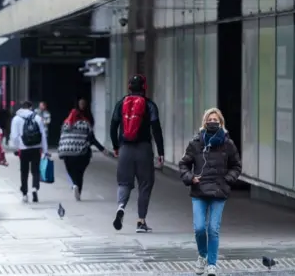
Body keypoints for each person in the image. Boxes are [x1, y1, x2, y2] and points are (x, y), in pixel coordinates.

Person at [178, 107, 241, 276]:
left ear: (221, 123)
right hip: (199, 191)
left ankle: (212, 264)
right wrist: (190, 178)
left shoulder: (228, 144)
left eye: (216, 120)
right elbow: (183, 164)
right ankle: (202, 256)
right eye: (209, 120)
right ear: (204, 122)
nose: (212, 122)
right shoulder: (196, 143)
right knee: (199, 228)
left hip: (219, 192)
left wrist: (228, 180)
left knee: (213, 229)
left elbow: (236, 166)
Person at [109, 74, 165, 233]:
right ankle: (141, 221)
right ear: (145, 87)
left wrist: (115, 146)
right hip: (144, 149)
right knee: (145, 185)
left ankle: (121, 207)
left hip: (125, 149)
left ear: (129, 87)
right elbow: (156, 129)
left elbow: (113, 127)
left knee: (124, 183)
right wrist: (160, 151)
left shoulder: (121, 104)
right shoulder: (150, 105)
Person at [58, 100, 108, 201]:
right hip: (81, 153)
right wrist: (102, 149)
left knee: (70, 171)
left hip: (67, 152)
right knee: (80, 173)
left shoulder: (65, 124)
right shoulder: (86, 123)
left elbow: (62, 137)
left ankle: (74, 184)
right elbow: (92, 139)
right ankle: (78, 191)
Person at [10, 100, 48, 203]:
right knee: (35, 170)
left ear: (21, 107)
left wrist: (18, 146)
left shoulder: (16, 119)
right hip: (36, 148)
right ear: (31, 107)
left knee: (24, 171)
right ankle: (35, 188)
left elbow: (14, 136)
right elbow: (43, 135)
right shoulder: (37, 117)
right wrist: (45, 150)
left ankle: (25, 194)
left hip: (23, 149)